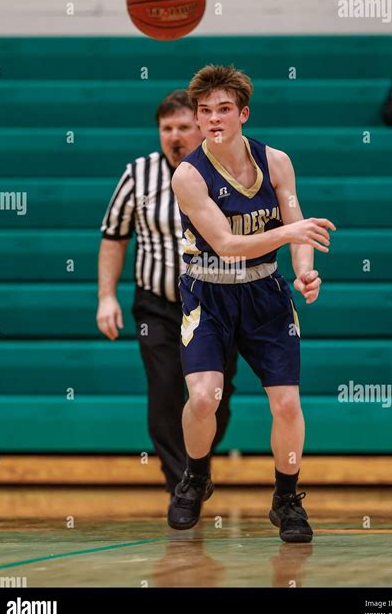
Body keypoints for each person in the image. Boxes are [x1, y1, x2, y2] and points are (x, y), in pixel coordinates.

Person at [168, 66, 336, 542]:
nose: (213, 119)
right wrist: (290, 235)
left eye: (224, 110)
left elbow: (297, 221)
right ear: (197, 119)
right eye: (205, 112)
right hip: (209, 291)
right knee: (203, 397)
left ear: (243, 113)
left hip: (265, 293)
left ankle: (286, 498)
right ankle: (196, 475)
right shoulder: (188, 174)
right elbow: (225, 244)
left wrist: (304, 269)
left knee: (286, 405)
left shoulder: (276, 161)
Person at [96, 89, 238, 499]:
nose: (174, 135)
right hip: (156, 305)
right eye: (166, 128)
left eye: (182, 127)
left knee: (214, 395)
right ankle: (184, 486)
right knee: (164, 388)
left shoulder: (227, 170)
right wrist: (107, 296)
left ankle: (196, 467)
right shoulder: (137, 175)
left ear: (201, 128)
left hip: (216, 303)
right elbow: (113, 237)